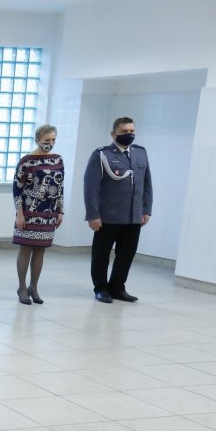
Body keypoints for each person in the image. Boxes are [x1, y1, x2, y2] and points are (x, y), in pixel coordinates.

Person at [84, 117, 152, 303]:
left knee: (126, 254)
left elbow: (146, 184)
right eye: (124, 132)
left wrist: (146, 209)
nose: (129, 135)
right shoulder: (102, 155)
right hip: (108, 216)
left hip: (133, 216)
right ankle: (101, 288)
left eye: (131, 131)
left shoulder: (140, 153)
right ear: (114, 134)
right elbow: (91, 188)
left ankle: (118, 287)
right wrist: (93, 214)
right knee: (101, 255)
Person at [12, 124, 65, 304]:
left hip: (49, 213)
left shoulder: (58, 160)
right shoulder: (27, 161)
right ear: (37, 140)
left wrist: (60, 210)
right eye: (46, 141)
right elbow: (17, 189)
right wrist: (19, 214)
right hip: (29, 212)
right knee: (25, 249)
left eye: (53, 140)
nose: (50, 144)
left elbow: (60, 188)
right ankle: (21, 287)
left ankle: (33, 286)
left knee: (41, 250)